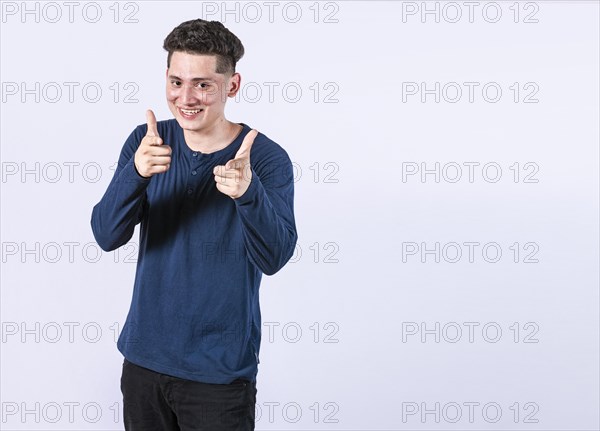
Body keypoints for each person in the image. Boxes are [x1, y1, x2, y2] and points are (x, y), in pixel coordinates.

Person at [91, 18, 298, 431]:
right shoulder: (146, 142)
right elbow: (106, 235)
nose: (186, 97)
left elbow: (274, 257)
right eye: (176, 81)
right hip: (143, 363)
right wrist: (136, 173)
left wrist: (247, 193)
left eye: (203, 84)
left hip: (218, 376)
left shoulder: (267, 158)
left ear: (232, 85)